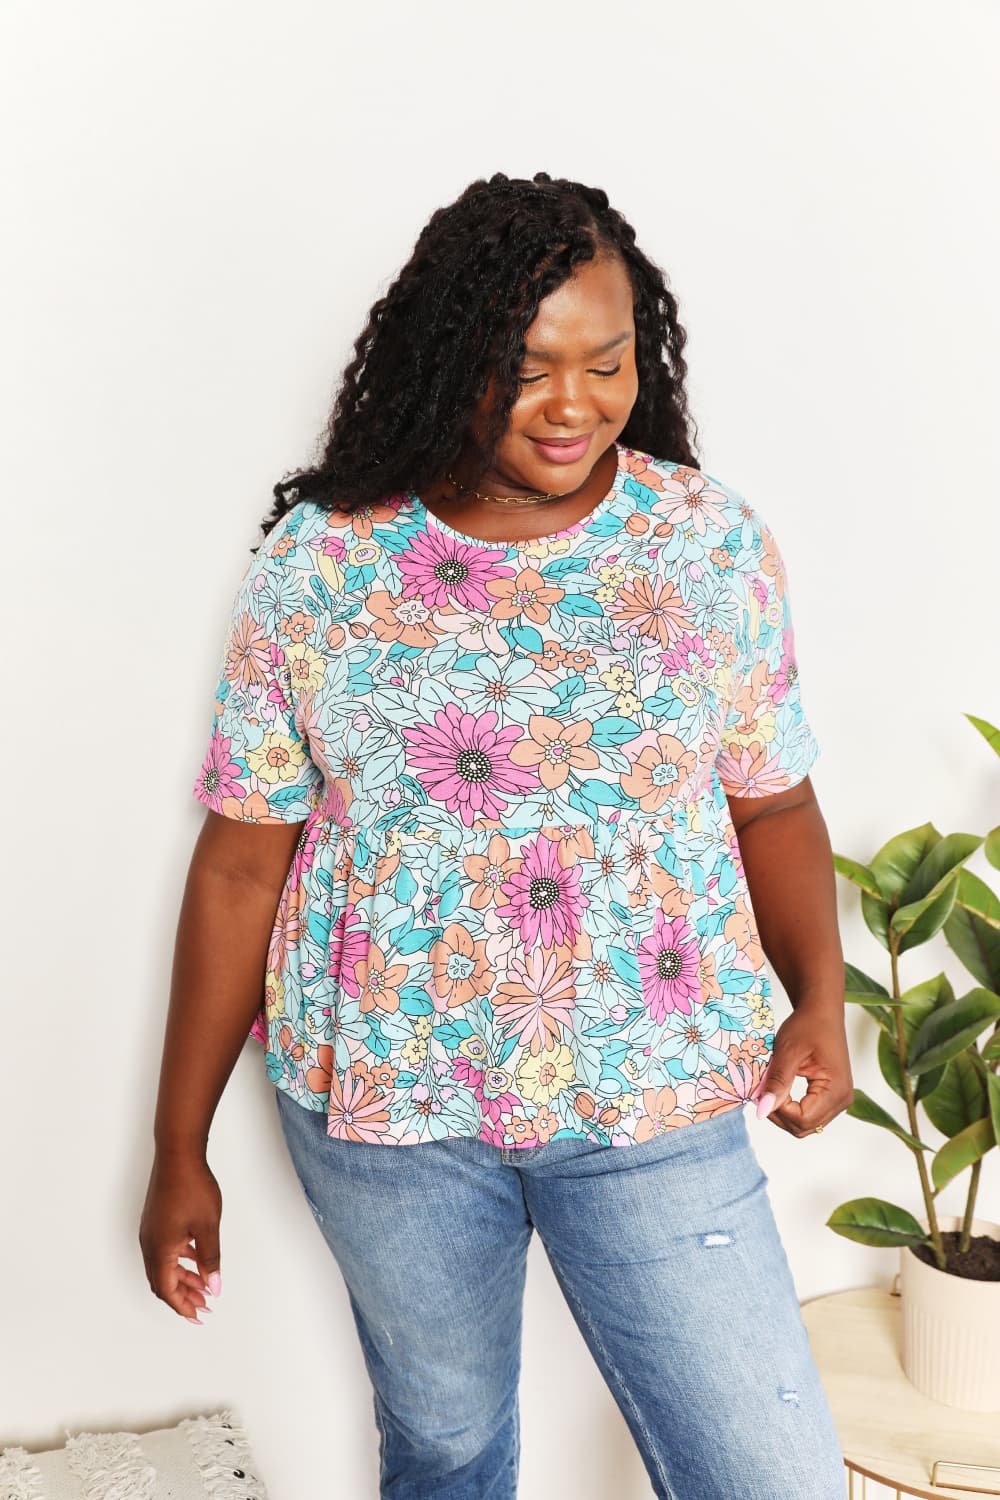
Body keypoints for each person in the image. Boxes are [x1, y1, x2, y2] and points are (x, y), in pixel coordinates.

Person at [140, 171, 853, 1499]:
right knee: (448, 1447)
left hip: (651, 1093)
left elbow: (774, 799)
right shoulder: (323, 564)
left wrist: (823, 1000)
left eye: (609, 360)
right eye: (528, 368)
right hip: (388, 1108)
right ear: (449, 360)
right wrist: (176, 1147)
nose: (574, 403)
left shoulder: (706, 545)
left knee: (772, 1475)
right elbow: (244, 863)